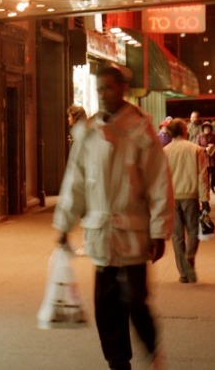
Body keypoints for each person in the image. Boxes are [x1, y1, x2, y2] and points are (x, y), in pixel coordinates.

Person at [53, 65, 174, 370]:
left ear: (122, 88)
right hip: (100, 234)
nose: (103, 95)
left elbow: (159, 183)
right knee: (106, 308)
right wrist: (63, 225)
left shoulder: (141, 131)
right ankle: (118, 363)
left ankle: (151, 347)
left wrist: (160, 231)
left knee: (135, 301)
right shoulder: (89, 132)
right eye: (99, 90)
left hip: (133, 235)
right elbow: (75, 182)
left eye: (108, 88)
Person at [164, 118, 210, 284]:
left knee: (177, 236)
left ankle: (183, 272)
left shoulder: (165, 151)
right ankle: (190, 256)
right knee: (193, 231)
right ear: (185, 131)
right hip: (190, 196)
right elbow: (202, 176)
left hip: (172, 198)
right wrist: (205, 199)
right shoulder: (196, 149)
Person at [196, 121, 215, 193]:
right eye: (205, 128)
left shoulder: (214, 136)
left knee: (214, 173)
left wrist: (213, 146)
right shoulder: (199, 136)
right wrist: (205, 148)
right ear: (203, 129)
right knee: (206, 175)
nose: (207, 129)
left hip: (213, 158)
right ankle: (207, 188)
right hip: (204, 158)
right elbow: (197, 146)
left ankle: (212, 185)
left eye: (208, 128)